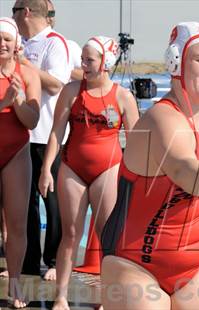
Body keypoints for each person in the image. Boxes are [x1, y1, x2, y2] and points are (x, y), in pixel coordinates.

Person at [100, 21, 199, 309]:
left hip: (196, 265)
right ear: (176, 63)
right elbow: (181, 167)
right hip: (136, 265)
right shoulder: (161, 118)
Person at [38, 35, 139, 310]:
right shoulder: (72, 91)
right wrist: (47, 168)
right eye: (82, 59)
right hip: (73, 167)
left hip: (108, 169)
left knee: (108, 238)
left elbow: (137, 143)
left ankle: (106, 299)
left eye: (89, 59)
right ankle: (60, 296)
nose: (83, 64)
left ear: (105, 62)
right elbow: (57, 132)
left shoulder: (123, 97)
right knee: (70, 234)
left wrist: (136, 180)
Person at [13, 0, 71, 281]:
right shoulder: (20, 42)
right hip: (22, 132)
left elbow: (57, 83)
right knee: (26, 202)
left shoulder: (53, 42)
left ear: (25, 12)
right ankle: (28, 261)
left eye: (13, 10)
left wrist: (23, 63)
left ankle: (54, 260)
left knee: (52, 199)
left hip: (48, 134)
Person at [0, 17, 40, 308]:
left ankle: (15, 287)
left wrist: (16, 102)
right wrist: (4, 102)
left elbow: (32, 120)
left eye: (6, 40)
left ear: (16, 45)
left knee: (17, 225)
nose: (2, 44)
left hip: (16, 152)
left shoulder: (27, 74)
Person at [46, 0, 83, 81]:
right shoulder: (18, 43)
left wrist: (61, 70)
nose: (50, 18)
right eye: (45, 14)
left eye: (51, 13)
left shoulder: (70, 46)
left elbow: (86, 76)